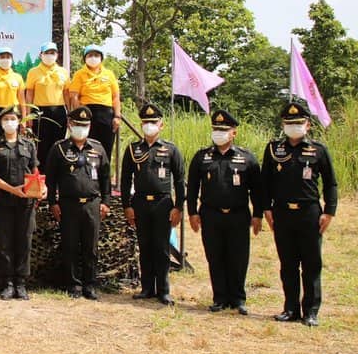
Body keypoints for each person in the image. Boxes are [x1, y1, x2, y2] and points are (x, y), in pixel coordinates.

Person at [261, 101, 337, 327]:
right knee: (288, 263)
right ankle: (290, 308)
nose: (293, 127)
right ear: (283, 125)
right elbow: (265, 182)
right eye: (289, 123)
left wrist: (329, 211)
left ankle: (311, 311)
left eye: (298, 123)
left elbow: (331, 183)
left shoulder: (318, 150)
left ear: (308, 125)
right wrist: (266, 208)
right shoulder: (274, 149)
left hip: (309, 213)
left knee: (311, 263)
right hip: (282, 213)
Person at [186, 109, 263, 315]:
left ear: (233, 133)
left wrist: (258, 215)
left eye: (224, 130)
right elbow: (192, 188)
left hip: (238, 215)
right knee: (215, 256)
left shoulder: (246, 158)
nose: (219, 133)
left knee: (238, 257)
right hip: (211, 214)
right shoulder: (202, 157)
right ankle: (219, 297)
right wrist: (192, 213)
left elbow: (257, 190)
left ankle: (237, 298)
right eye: (216, 129)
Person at [119, 103, 185, 306]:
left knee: (162, 247)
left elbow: (180, 180)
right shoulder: (133, 149)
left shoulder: (170, 149)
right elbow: (125, 180)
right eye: (146, 122)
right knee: (145, 245)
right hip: (140, 203)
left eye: (153, 122)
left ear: (161, 125)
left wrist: (178, 207)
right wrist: (127, 206)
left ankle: (163, 290)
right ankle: (147, 288)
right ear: (141, 124)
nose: (149, 125)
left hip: (163, 203)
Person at [44, 106, 111, 300]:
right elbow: (51, 179)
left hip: (92, 203)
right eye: (77, 125)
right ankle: (73, 284)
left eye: (85, 125)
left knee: (91, 247)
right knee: (70, 245)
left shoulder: (97, 148)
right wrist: (52, 202)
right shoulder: (59, 149)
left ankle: (90, 284)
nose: (81, 128)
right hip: (68, 204)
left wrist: (106, 201)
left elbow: (106, 178)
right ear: (70, 125)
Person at [0, 106, 45, 300]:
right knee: (5, 242)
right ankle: (8, 283)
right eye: (6, 119)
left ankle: (21, 283)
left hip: (26, 202)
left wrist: (42, 187)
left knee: (24, 241)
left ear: (19, 121)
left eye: (13, 119)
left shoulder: (29, 145)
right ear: (1, 123)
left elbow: (35, 172)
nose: (9, 122)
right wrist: (12, 190)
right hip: (3, 201)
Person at [68, 45, 121, 159]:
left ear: (101, 58)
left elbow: (115, 97)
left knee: (106, 147)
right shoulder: (79, 74)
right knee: (87, 146)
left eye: (96, 55)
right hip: (87, 113)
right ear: (85, 58)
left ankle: (104, 169)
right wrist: (79, 115)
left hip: (106, 114)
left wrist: (117, 116)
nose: (93, 58)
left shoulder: (109, 74)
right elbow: (74, 96)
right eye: (90, 55)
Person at [24, 41, 70, 167]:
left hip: (59, 111)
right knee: (41, 144)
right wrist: (28, 115)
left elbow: (66, 94)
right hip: (40, 112)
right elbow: (29, 94)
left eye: (52, 53)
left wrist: (70, 113)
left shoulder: (63, 72)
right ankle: (41, 172)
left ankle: (56, 172)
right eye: (47, 53)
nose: (50, 55)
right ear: (41, 55)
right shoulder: (33, 72)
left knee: (58, 143)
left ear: (57, 55)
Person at [0, 46, 27, 140]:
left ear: (12, 59)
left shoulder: (18, 77)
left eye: (8, 57)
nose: (5, 59)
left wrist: (24, 119)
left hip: (13, 112)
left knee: (13, 141)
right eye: (2, 57)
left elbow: (22, 101)